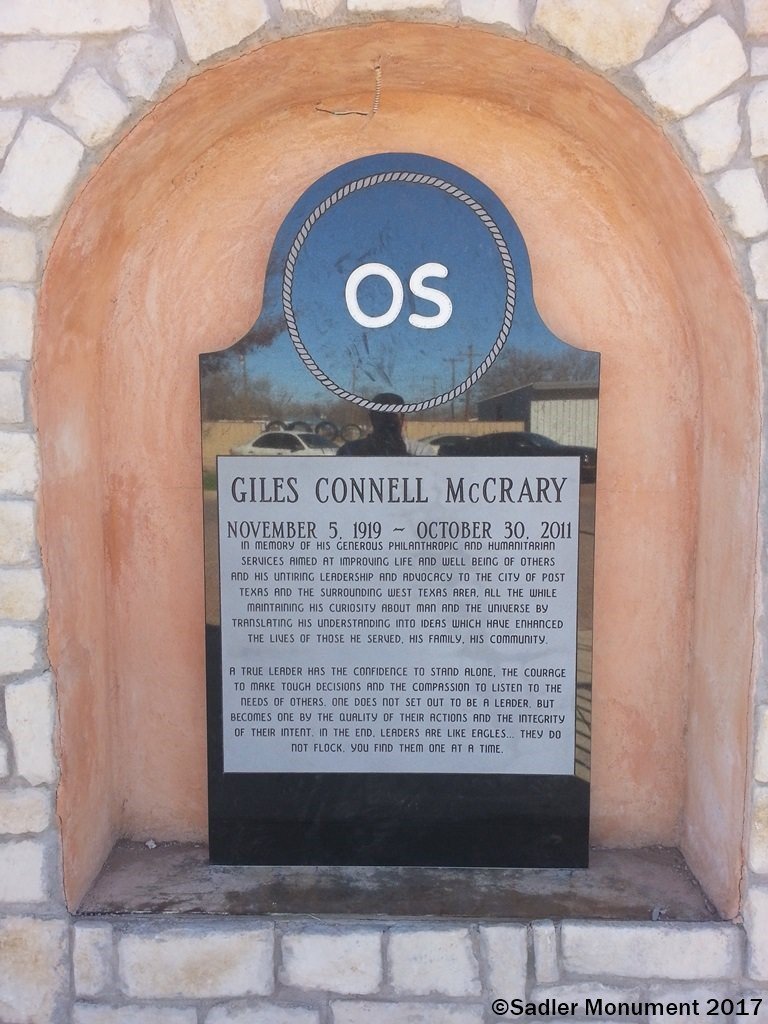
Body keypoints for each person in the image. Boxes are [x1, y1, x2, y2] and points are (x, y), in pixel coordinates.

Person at [336, 393, 409, 455]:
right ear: (372, 418)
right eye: (382, 416)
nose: (387, 421)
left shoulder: (349, 452)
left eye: (392, 416)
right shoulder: (349, 452)